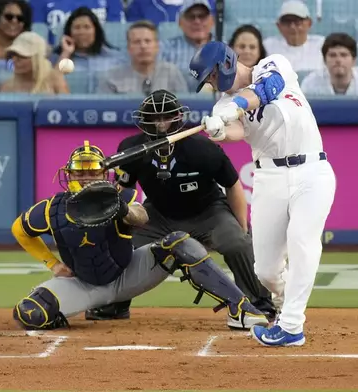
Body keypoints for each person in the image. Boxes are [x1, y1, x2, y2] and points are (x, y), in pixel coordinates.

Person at [10, 140, 269, 331]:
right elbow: (19, 230)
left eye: (93, 172)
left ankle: (241, 308)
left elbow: (141, 217)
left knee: (179, 241)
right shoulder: (50, 209)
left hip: (128, 275)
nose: (87, 178)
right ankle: (93, 309)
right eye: (81, 172)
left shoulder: (121, 197)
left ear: (105, 174)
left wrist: (120, 209)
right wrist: (51, 263)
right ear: (69, 175)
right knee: (29, 314)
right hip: (83, 285)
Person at [85, 89, 275, 330]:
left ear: (177, 117)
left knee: (238, 243)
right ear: (143, 120)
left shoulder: (202, 149)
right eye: (154, 118)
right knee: (121, 245)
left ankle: (259, 303)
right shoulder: (131, 149)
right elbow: (124, 190)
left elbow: (233, 185)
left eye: (166, 116)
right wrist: (118, 219)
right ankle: (115, 303)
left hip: (208, 212)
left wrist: (242, 227)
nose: (160, 123)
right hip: (158, 214)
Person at [189, 41, 336, 346]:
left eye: (213, 75)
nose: (213, 83)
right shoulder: (222, 105)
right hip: (269, 176)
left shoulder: (272, 64)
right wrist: (219, 132)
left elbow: (270, 87)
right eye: (209, 81)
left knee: (302, 241)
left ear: (225, 62)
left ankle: (293, 326)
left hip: (311, 169)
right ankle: (287, 305)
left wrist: (236, 106)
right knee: (266, 270)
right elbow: (238, 132)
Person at [301, 32, 358, 98]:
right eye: (332, 55)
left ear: (354, 60)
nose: (338, 60)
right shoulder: (310, 83)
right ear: (324, 60)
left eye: (344, 55)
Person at [50, 7, 124, 74]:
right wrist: (66, 53)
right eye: (77, 27)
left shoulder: (114, 58)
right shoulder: (56, 59)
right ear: (69, 32)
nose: (82, 32)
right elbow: (53, 82)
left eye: (87, 27)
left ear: (96, 31)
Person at [0, 31, 69, 94]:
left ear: (37, 59)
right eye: (12, 55)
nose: (14, 60)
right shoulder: (6, 87)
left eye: (22, 56)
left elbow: (66, 107)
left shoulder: (56, 82)